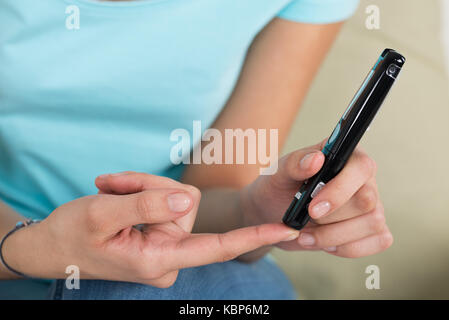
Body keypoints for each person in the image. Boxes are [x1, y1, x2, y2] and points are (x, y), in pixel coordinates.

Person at [0, 0, 392, 300]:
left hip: (179, 263)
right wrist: (32, 247)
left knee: (138, 288)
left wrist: (256, 209)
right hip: (12, 247)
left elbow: (218, 192)